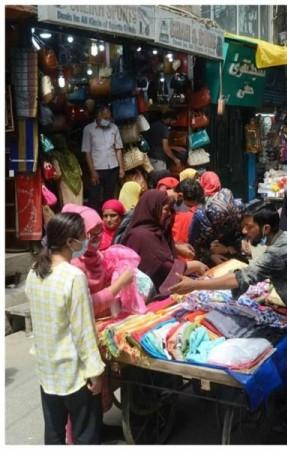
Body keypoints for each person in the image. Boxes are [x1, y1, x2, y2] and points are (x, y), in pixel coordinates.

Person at [172, 201, 287, 443]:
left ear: (265, 229)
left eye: (248, 226)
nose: (244, 231)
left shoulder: (276, 252)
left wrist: (194, 284)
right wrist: (277, 292)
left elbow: (240, 278)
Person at [25, 213, 105, 444]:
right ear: (71, 242)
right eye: (83, 237)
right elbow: (83, 331)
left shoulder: (34, 271)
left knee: (54, 433)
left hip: (47, 370)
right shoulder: (73, 276)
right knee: (85, 435)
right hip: (74, 372)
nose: (86, 242)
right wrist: (95, 371)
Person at [121, 191, 205, 290]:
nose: (169, 214)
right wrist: (196, 265)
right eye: (165, 209)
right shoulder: (142, 236)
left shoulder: (154, 231)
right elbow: (163, 268)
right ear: (153, 208)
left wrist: (176, 247)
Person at [82, 105, 124, 211]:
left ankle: (108, 219)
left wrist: (121, 168)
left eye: (109, 118)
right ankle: (95, 220)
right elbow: (87, 152)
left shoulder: (114, 128)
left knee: (109, 197)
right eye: (105, 118)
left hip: (113, 168)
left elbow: (118, 149)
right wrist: (92, 172)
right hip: (97, 169)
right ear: (98, 116)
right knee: (94, 197)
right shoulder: (88, 129)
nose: (107, 120)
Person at [171, 179, 203, 245]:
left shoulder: (174, 209)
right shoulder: (159, 206)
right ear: (180, 196)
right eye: (189, 206)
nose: (189, 210)